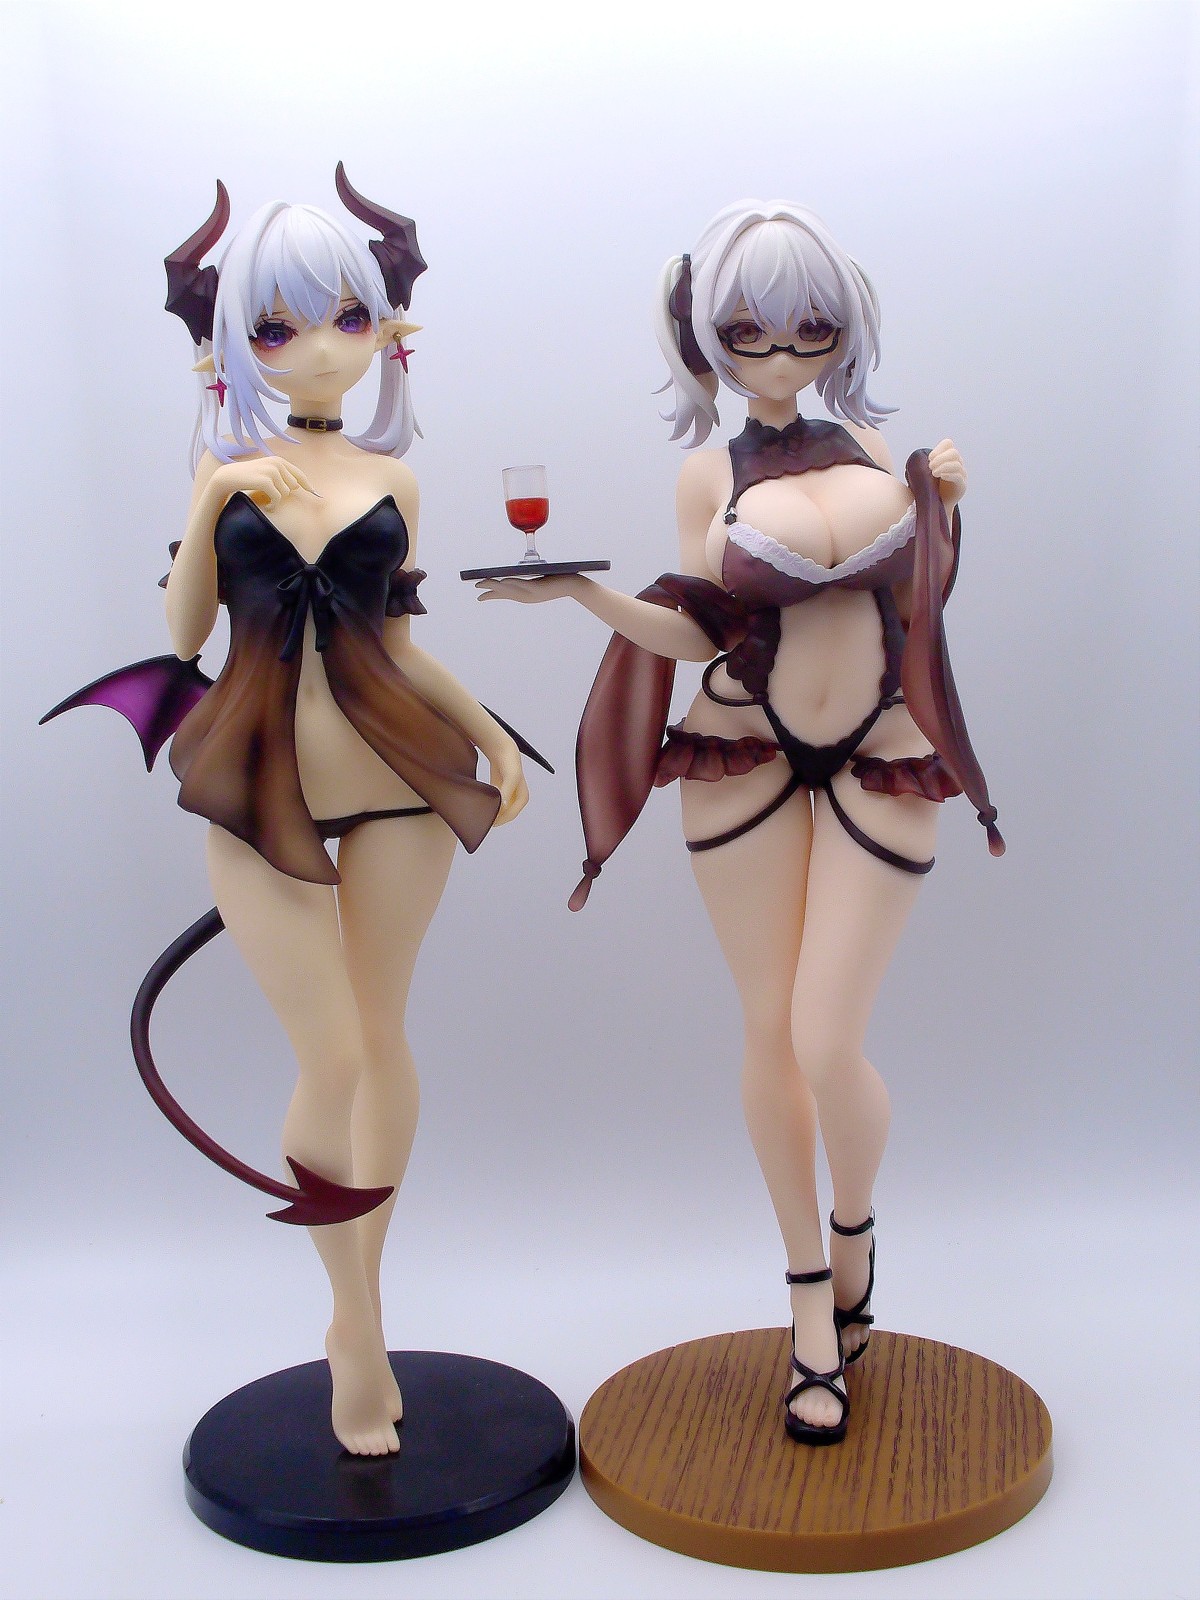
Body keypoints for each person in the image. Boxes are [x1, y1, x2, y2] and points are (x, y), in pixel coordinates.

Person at [477, 199, 1001, 1446]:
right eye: (749, 328)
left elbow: (926, 601)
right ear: (707, 335)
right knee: (770, 1029)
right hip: (742, 755)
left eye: (809, 324)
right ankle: (809, 1296)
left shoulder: (879, 447)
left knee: (829, 1033)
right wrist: (585, 594)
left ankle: (855, 1224)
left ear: (843, 325)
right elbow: (696, 625)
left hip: (881, 753)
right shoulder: (706, 474)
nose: (779, 349)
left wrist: (946, 507)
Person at [91, 172, 527, 1457]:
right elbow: (182, 638)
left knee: (382, 1041)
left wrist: (494, 732)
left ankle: (359, 1316)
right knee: (327, 1056)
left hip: (396, 781)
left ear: (386, 325)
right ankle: (355, 1317)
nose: (320, 348)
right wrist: (213, 499)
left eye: (346, 316)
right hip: (260, 789)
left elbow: (398, 643)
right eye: (275, 327)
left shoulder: (394, 478)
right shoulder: (227, 473)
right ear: (232, 345)